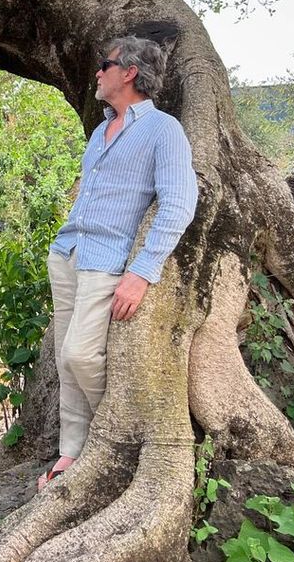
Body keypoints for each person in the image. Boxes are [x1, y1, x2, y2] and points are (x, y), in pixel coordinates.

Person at [37, 35, 198, 491]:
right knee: (64, 361)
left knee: (80, 354)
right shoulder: (99, 131)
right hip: (68, 253)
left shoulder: (164, 130)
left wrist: (143, 272)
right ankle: (72, 450)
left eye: (104, 65)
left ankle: (114, 437)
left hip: (107, 260)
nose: (97, 73)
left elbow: (179, 203)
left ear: (129, 72)